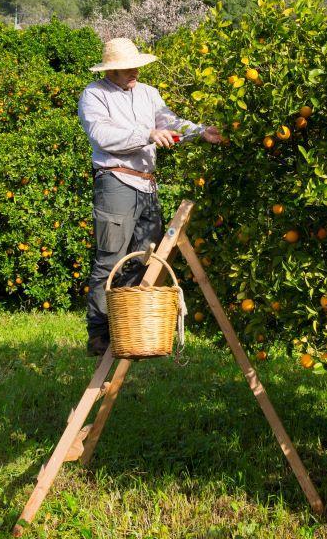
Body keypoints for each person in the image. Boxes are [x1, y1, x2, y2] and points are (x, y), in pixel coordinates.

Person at [77, 37, 222, 355]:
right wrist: (147, 135)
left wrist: (199, 131)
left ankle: (127, 324)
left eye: (136, 67)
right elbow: (103, 135)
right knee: (110, 257)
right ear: (111, 71)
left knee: (146, 257)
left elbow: (167, 123)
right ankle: (99, 333)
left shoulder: (148, 94)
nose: (134, 73)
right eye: (127, 68)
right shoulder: (94, 95)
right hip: (115, 181)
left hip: (146, 185)